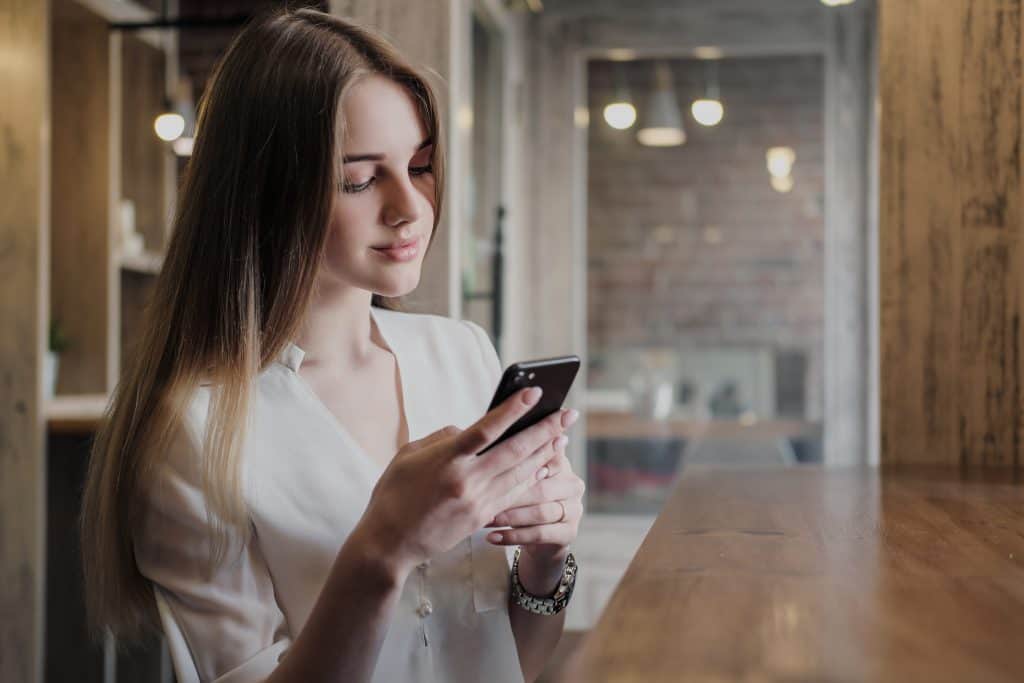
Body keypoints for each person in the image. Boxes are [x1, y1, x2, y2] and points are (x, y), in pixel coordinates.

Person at [79, 7, 584, 683]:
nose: (410, 207)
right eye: (360, 177)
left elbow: (511, 661)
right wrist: (381, 549)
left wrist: (547, 559)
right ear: (267, 191)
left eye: (421, 165)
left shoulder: (462, 352)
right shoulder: (194, 432)